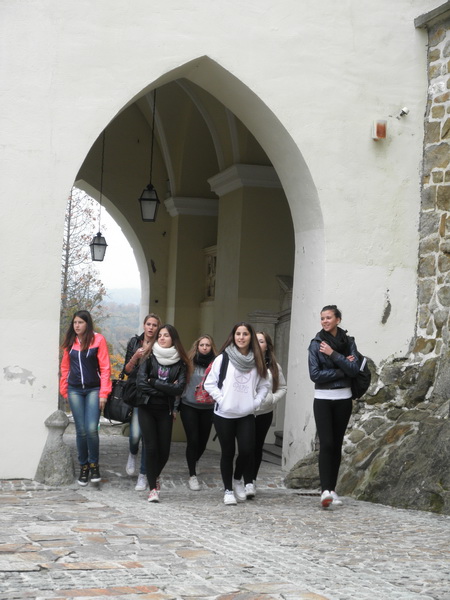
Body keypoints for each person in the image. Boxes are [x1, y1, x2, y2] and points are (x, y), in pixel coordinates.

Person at [204, 322, 270, 505]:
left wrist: (256, 402)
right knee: (228, 452)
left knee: (247, 450)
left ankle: (237, 479)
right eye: (238, 334)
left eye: (245, 334)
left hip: (246, 414)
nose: (241, 337)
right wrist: (222, 400)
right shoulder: (223, 358)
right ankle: (228, 490)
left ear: (251, 337)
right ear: (233, 336)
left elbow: (265, 385)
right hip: (224, 414)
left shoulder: (257, 359)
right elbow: (209, 383)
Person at [308, 305, 360, 508]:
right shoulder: (316, 344)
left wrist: (334, 355)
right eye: (322, 318)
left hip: (344, 399)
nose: (324, 321)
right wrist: (341, 368)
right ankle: (324, 490)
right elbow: (315, 375)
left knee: (336, 444)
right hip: (322, 398)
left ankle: (332, 489)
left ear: (338, 320)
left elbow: (354, 369)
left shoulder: (349, 342)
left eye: (328, 318)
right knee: (327, 443)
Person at [136, 324, 189, 502]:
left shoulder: (180, 363)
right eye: (160, 335)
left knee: (164, 452)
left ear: (173, 339)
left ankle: (154, 475)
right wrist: (166, 389)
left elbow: (179, 389)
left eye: (166, 335)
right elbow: (141, 384)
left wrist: (154, 382)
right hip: (146, 407)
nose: (161, 338)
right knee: (151, 448)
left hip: (165, 410)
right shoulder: (149, 357)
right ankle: (153, 488)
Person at [59, 310, 111, 486]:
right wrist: (65, 390)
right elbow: (65, 368)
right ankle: (84, 466)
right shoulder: (70, 342)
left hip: (93, 389)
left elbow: (105, 368)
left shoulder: (98, 340)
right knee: (80, 430)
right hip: (74, 390)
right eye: (75, 322)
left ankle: (94, 465)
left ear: (87, 324)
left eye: (80, 322)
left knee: (91, 429)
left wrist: (104, 393)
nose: (77, 325)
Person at [234, 331, 287, 493]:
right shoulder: (242, 363)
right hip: (245, 413)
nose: (257, 344)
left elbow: (282, 387)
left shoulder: (274, 367)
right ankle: (241, 479)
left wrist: (272, 399)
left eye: (261, 341)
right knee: (246, 448)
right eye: (255, 340)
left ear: (267, 346)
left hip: (264, 412)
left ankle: (251, 481)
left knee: (257, 447)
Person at [122, 313, 161, 492]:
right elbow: (127, 370)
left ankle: (143, 475)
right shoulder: (134, 342)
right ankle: (132, 453)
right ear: (144, 326)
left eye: (154, 325)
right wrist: (135, 357)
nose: (151, 328)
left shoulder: (160, 345)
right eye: (149, 324)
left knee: (148, 438)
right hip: (136, 393)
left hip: (152, 394)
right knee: (135, 435)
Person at [180, 335, 217, 491]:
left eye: (207, 345)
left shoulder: (217, 364)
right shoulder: (188, 363)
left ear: (211, 347)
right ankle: (192, 475)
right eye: (202, 344)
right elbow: (181, 382)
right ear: (197, 346)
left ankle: (195, 461)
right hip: (189, 405)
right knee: (193, 440)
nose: (204, 347)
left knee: (202, 442)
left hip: (208, 407)